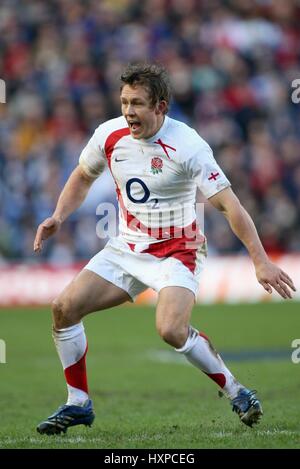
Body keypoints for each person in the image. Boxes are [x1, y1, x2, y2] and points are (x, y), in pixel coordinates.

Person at [34, 63, 296, 435]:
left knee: (171, 329)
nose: (128, 111)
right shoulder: (109, 134)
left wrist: (261, 261)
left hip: (178, 250)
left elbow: (228, 205)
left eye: (138, 103)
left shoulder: (188, 145)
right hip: (126, 247)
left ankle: (238, 391)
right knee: (63, 309)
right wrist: (59, 215)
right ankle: (78, 403)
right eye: (124, 101)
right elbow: (83, 174)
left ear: (161, 106)